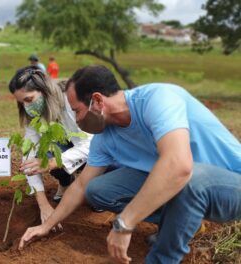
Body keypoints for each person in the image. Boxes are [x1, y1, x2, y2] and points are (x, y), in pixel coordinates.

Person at [19, 65, 241, 263]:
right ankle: (179, 223)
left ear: (97, 101)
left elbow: (179, 166)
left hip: (231, 185)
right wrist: (45, 226)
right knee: (98, 190)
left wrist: (124, 224)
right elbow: (80, 186)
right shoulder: (105, 137)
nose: (76, 120)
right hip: (186, 184)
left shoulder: (158, 99)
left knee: (191, 179)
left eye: (77, 111)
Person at [8, 66, 93, 225]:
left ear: (43, 90)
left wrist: (52, 163)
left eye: (29, 99)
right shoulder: (33, 115)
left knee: (97, 194)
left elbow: (91, 145)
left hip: (100, 149)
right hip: (71, 148)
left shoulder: (71, 100)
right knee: (42, 153)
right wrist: (44, 205)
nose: (27, 107)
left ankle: (97, 185)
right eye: (22, 103)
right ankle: (66, 182)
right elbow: (30, 156)